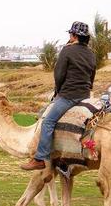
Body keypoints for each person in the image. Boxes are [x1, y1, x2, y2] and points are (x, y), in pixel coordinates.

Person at [21, 21, 96, 171]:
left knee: (47, 122)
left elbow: (59, 74)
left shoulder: (67, 51)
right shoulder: (91, 53)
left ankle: (40, 158)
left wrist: (59, 92)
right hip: (85, 94)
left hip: (70, 95)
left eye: (70, 34)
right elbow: (92, 74)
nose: (69, 36)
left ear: (74, 36)